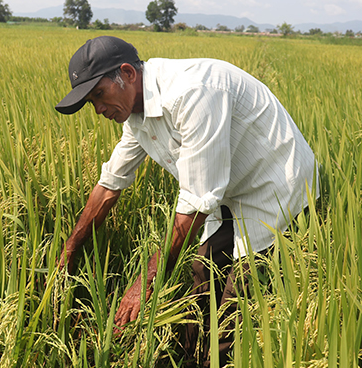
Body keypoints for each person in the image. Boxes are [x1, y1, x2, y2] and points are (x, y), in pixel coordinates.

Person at [55, 36, 318, 367]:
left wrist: (145, 279)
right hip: (229, 188)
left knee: (240, 296)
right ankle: (190, 358)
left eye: (99, 95)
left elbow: (195, 200)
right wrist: (71, 247)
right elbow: (110, 184)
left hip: (274, 184)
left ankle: (219, 359)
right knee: (203, 273)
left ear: (127, 74)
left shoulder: (194, 92)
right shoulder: (135, 114)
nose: (98, 110)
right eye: (91, 102)